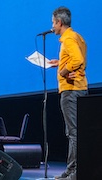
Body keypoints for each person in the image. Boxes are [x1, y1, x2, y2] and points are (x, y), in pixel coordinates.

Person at [48, 7, 88, 180]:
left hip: (71, 91)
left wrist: (64, 71)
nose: (52, 26)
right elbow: (81, 60)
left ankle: (75, 173)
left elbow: (78, 60)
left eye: (53, 23)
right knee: (74, 132)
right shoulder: (77, 36)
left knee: (74, 133)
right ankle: (71, 171)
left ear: (59, 22)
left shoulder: (68, 38)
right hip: (78, 88)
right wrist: (61, 63)